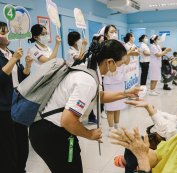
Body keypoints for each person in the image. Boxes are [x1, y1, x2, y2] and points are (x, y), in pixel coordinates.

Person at [28, 39, 140, 173]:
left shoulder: (90, 70)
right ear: (110, 62)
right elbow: (67, 120)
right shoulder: (87, 81)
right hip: (50, 132)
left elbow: (99, 96)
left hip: (51, 129)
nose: (120, 68)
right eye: (120, 64)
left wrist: (125, 93)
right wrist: (90, 134)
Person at [0, 21, 33, 173]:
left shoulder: (12, 53)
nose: (6, 34)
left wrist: (27, 66)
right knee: (8, 146)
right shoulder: (12, 56)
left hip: (18, 104)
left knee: (22, 143)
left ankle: (21, 169)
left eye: (7, 31)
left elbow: (20, 78)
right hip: (4, 107)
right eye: (2, 32)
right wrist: (13, 59)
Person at [101, 25, 128, 132]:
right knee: (111, 106)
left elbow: (126, 60)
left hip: (120, 79)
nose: (114, 33)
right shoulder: (103, 46)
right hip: (109, 79)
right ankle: (111, 129)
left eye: (115, 31)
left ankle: (117, 126)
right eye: (112, 31)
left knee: (119, 104)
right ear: (106, 33)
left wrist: (126, 55)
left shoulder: (120, 45)